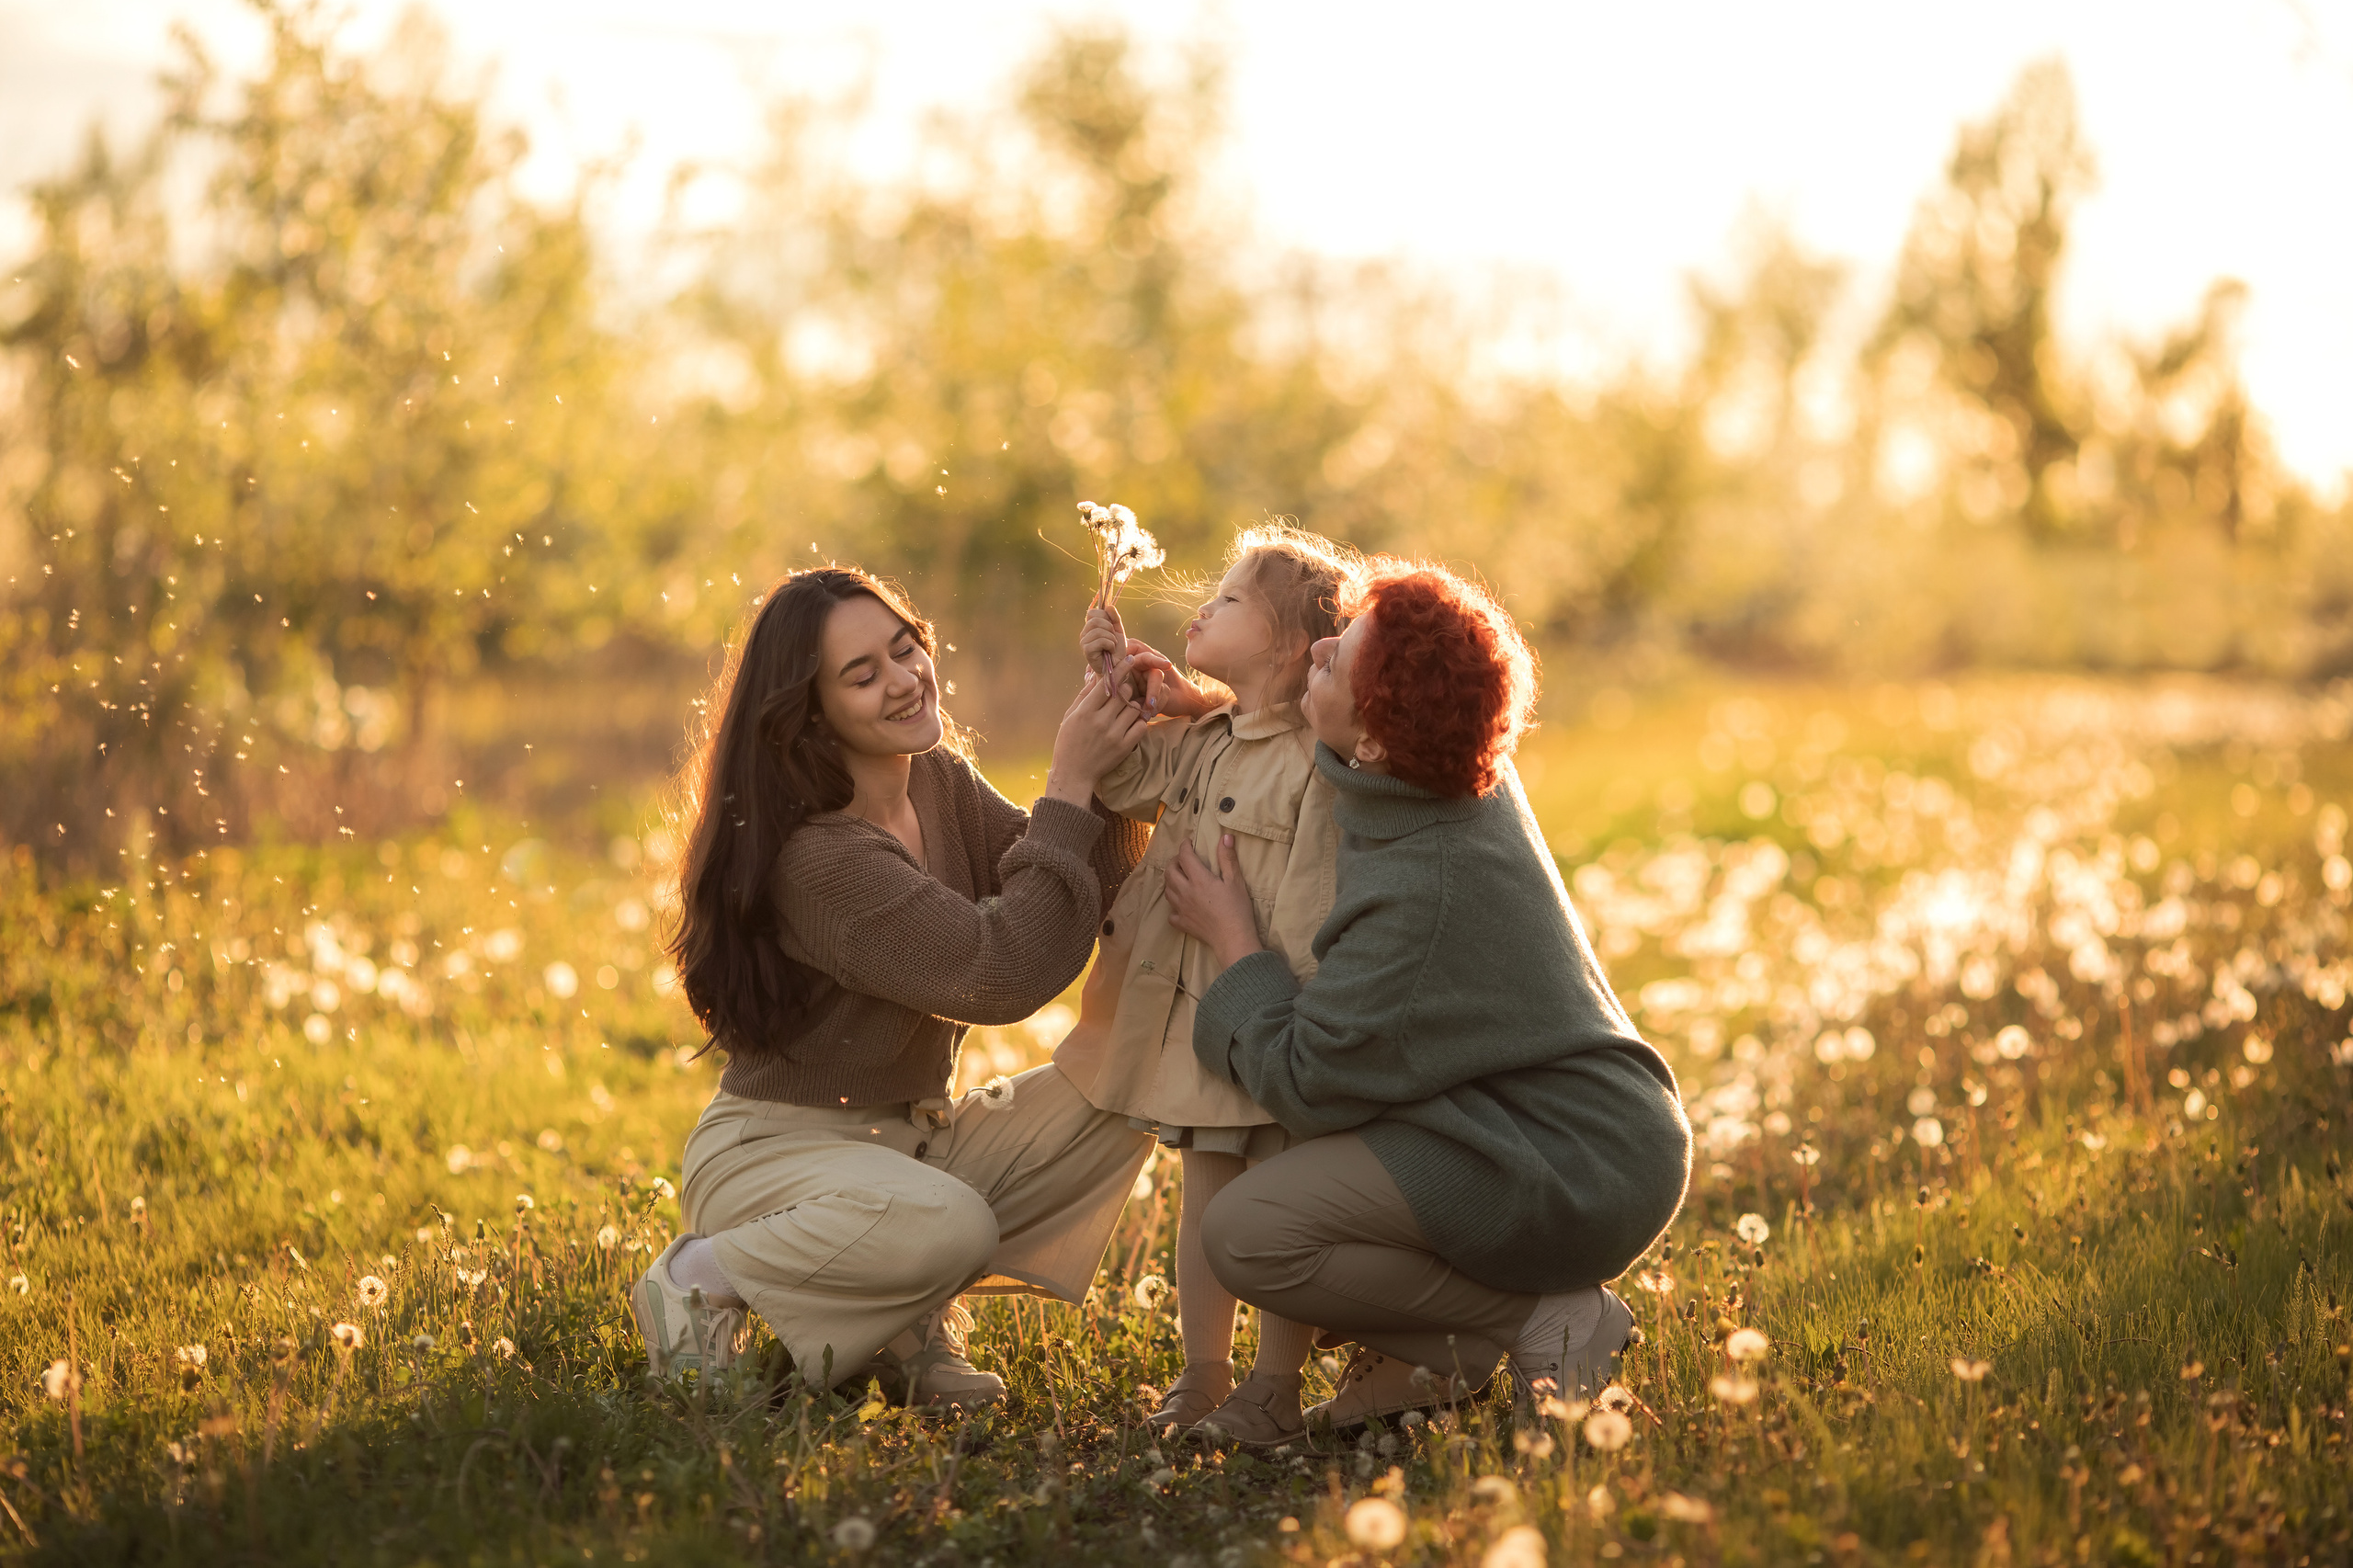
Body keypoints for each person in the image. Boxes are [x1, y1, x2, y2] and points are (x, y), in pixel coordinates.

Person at [1162, 562, 1692, 1444]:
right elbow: (1317, 725)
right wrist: (1214, 712)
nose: (1318, 649)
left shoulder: (1420, 884)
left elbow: (1306, 1081)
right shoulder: (1448, 753)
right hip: (1528, 1112)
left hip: (1565, 1154)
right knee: (1295, 1207)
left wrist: (1235, 945)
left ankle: (1541, 1322)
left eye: (1335, 664)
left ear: (1374, 740)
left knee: (1251, 1232)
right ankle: (1441, 1352)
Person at [632, 565, 1156, 1408]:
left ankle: (896, 1328)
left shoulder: (937, 780)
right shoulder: (819, 856)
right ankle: (695, 1274)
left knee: (1130, 1085)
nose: (904, 680)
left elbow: (1074, 872)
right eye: (863, 674)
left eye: (906, 650)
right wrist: (1069, 778)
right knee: (949, 1223)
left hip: (914, 1139)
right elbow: (998, 972)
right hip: (776, 1154)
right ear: (811, 712)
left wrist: (1126, 726)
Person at [1056, 523, 1358, 1437]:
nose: (1201, 606)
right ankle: (1201, 1371)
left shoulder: (1316, 762)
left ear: (1294, 646)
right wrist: (1113, 684)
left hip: (1265, 1013)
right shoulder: (1206, 734)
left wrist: (1292, 1025)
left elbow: (1312, 904)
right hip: (1193, 1016)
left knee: (1271, 1205)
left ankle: (1273, 1382)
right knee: (1206, 1195)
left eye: (1228, 600)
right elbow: (1121, 779)